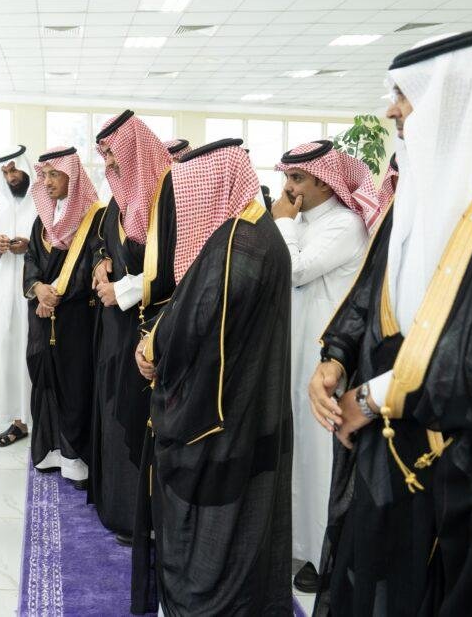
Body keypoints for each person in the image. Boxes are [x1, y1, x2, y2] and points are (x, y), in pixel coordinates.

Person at [309, 29, 472, 615]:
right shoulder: (420, 182)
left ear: (452, 93)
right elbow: (374, 290)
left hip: (468, 462)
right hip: (387, 447)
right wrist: (335, 357)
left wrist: (372, 398)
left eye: (403, 95)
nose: (392, 111)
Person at [131, 144, 292, 616]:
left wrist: (152, 349)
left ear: (213, 185)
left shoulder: (237, 243)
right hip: (245, 401)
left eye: (186, 193)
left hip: (219, 413)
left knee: (213, 528)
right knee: (243, 521)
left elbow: (195, 320)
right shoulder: (254, 231)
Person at [269, 139, 376, 593]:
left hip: (326, 363)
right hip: (292, 356)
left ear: (326, 182)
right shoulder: (299, 222)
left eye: (298, 179)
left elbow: (294, 270)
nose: (289, 188)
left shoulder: (344, 225)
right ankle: (295, 545)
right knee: (294, 455)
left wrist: (283, 223)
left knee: (318, 459)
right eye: (287, 177)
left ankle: (321, 554)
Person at [88, 110, 174, 542]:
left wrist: (120, 290)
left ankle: (139, 517)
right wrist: (100, 264)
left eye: (113, 151)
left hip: (148, 327)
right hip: (112, 329)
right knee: (111, 409)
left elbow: (177, 266)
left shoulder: (168, 198)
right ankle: (114, 504)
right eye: (103, 153)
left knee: (137, 416)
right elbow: (104, 243)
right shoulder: (119, 201)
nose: (108, 161)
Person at [24, 147, 104, 487]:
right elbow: (30, 259)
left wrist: (54, 295)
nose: (48, 181)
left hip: (74, 318)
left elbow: (89, 266)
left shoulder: (93, 218)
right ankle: (49, 451)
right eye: (44, 175)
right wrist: (37, 288)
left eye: (55, 174)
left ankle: (75, 458)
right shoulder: (41, 219)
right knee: (45, 381)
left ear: (73, 176)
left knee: (75, 385)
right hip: (41, 317)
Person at [0, 145, 37, 447]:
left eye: (14, 170)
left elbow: (55, 244)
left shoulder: (42, 201)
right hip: (8, 291)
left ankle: (40, 419)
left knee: (33, 351)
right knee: (11, 352)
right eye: (6, 172)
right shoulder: (2, 206)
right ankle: (18, 420)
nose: (11, 177)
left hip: (34, 290)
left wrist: (30, 246)